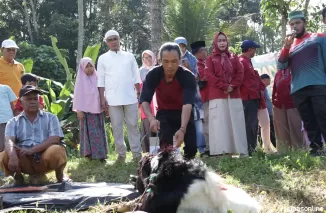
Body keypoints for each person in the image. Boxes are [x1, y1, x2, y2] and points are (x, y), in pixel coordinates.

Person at [278, 10, 326, 156]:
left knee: (323, 115)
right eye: (292, 24)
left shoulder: (319, 37)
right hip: (298, 88)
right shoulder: (289, 46)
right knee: (308, 120)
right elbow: (281, 66)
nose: (295, 26)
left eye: (297, 23)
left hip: (318, 84)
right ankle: (316, 148)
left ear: (304, 23)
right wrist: (286, 47)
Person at [140, 42, 197, 159]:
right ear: (160, 60)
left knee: (191, 150)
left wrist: (182, 129)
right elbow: (144, 100)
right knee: (166, 147)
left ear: (180, 60)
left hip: (184, 112)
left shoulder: (188, 76)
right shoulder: (153, 74)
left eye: (174, 61)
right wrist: (151, 119)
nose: (170, 66)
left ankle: (185, 167)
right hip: (164, 113)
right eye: (166, 61)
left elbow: (187, 104)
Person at [0, 85, 67, 185]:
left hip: (43, 158)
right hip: (23, 160)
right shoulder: (13, 122)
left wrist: (32, 150)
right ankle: (17, 177)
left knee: (57, 150)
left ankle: (60, 176)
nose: (32, 101)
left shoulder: (51, 118)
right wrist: (13, 156)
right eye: (28, 99)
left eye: (35, 99)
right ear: (21, 103)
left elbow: (55, 138)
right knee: (4, 155)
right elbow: (9, 140)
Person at [97, 30, 142, 162]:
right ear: (106, 43)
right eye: (110, 40)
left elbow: (136, 76)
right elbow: (101, 80)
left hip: (130, 97)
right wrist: (102, 98)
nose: (113, 42)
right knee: (116, 127)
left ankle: (137, 153)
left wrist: (138, 93)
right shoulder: (103, 58)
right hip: (112, 98)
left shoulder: (129, 56)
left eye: (115, 38)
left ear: (119, 39)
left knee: (133, 125)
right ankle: (121, 154)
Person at [206, 32, 247, 156]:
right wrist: (224, 86)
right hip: (218, 96)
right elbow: (209, 75)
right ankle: (222, 152)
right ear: (215, 43)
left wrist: (232, 86)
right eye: (219, 41)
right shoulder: (210, 59)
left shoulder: (234, 57)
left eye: (224, 40)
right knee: (220, 123)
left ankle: (238, 151)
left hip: (234, 95)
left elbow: (240, 73)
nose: (222, 43)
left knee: (236, 122)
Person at [73, 57, 108, 161]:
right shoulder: (80, 81)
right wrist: (78, 110)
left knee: (99, 132)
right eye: (86, 67)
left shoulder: (97, 78)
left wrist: (106, 106)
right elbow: (77, 96)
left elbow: (102, 93)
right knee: (88, 133)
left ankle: (101, 155)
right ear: (82, 68)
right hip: (86, 113)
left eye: (91, 66)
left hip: (98, 111)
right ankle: (90, 156)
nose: (89, 69)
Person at [175, 37, 205, 155]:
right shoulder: (171, 56)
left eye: (183, 46)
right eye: (179, 46)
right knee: (177, 121)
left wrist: (188, 69)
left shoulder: (192, 58)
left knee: (197, 122)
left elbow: (197, 76)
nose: (181, 48)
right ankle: (175, 150)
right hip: (177, 96)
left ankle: (201, 148)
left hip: (193, 96)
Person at [239, 40, 266, 155]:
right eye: (254, 49)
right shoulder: (241, 62)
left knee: (252, 123)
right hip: (247, 97)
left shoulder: (248, 62)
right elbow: (239, 80)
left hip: (253, 97)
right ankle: (250, 149)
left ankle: (252, 148)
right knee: (251, 124)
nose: (255, 52)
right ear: (250, 49)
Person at [272, 63, 304, 153]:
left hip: (292, 104)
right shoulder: (278, 73)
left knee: (295, 127)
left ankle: (299, 149)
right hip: (279, 105)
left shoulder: (296, 70)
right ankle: (283, 150)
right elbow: (275, 88)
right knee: (281, 130)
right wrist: (274, 102)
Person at [191, 40, 210, 156]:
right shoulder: (197, 64)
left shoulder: (205, 62)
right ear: (197, 52)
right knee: (206, 123)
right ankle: (207, 148)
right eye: (203, 50)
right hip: (203, 97)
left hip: (209, 96)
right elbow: (203, 78)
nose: (205, 52)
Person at [139, 50, 157, 152]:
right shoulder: (139, 71)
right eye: (145, 58)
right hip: (146, 101)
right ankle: (148, 151)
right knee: (147, 123)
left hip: (157, 100)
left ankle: (156, 150)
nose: (147, 60)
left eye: (149, 57)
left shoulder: (158, 70)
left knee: (156, 123)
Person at [0, 39, 24, 103]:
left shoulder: (20, 66)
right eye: (8, 49)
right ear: (2, 50)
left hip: (19, 103)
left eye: (13, 50)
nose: (11, 52)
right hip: (4, 104)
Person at [258, 74, 276, 153]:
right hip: (266, 112)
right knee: (270, 131)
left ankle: (266, 148)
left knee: (266, 130)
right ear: (264, 80)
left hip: (267, 111)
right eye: (268, 82)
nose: (268, 85)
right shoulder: (261, 88)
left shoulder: (263, 88)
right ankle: (268, 148)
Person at [0, 84, 16, 152]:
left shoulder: (6, 88)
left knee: (11, 144)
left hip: (8, 120)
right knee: (2, 146)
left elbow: (12, 105)